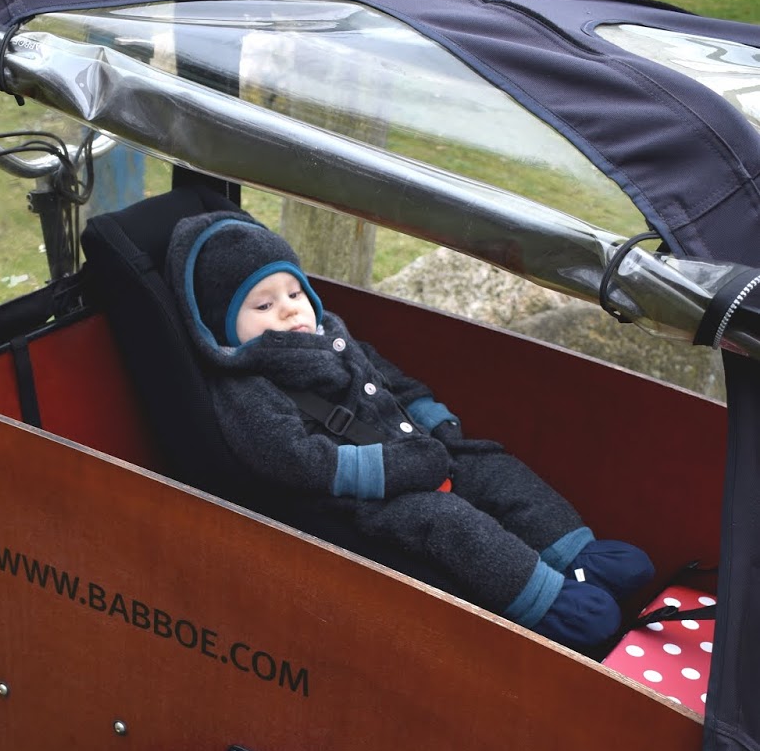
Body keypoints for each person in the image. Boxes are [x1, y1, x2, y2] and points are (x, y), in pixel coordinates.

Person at [165, 210, 654, 650]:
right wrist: (387, 469)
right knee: (449, 522)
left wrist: (436, 423)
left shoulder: (331, 334)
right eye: (263, 306)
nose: (291, 309)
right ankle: (550, 604)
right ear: (223, 329)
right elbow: (289, 457)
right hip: (356, 496)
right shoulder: (247, 388)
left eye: (294, 293)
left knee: (493, 467)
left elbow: (391, 379)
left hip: (415, 446)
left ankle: (578, 555)